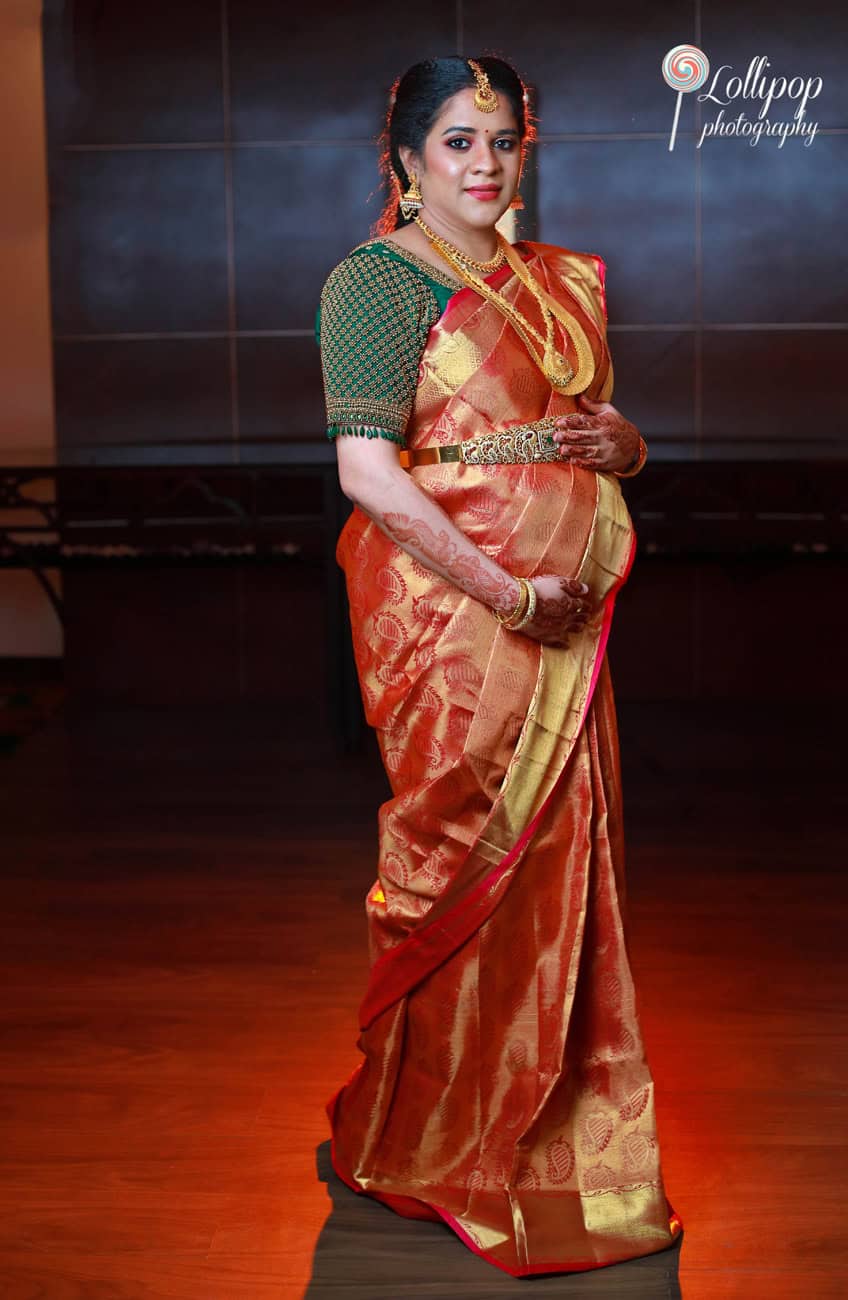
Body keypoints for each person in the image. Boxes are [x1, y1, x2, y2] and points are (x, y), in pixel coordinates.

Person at [316, 54, 682, 1278]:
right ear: (406, 159)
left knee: (566, 865)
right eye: (459, 142)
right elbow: (369, 474)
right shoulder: (375, 284)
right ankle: (433, 1132)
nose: (485, 164)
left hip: (567, 624)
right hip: (459, 631)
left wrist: (622, 444)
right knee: (456, 859)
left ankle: (557, 1132)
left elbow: (593, 438)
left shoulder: (553, 281)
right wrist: (510, 593)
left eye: (503, 142)